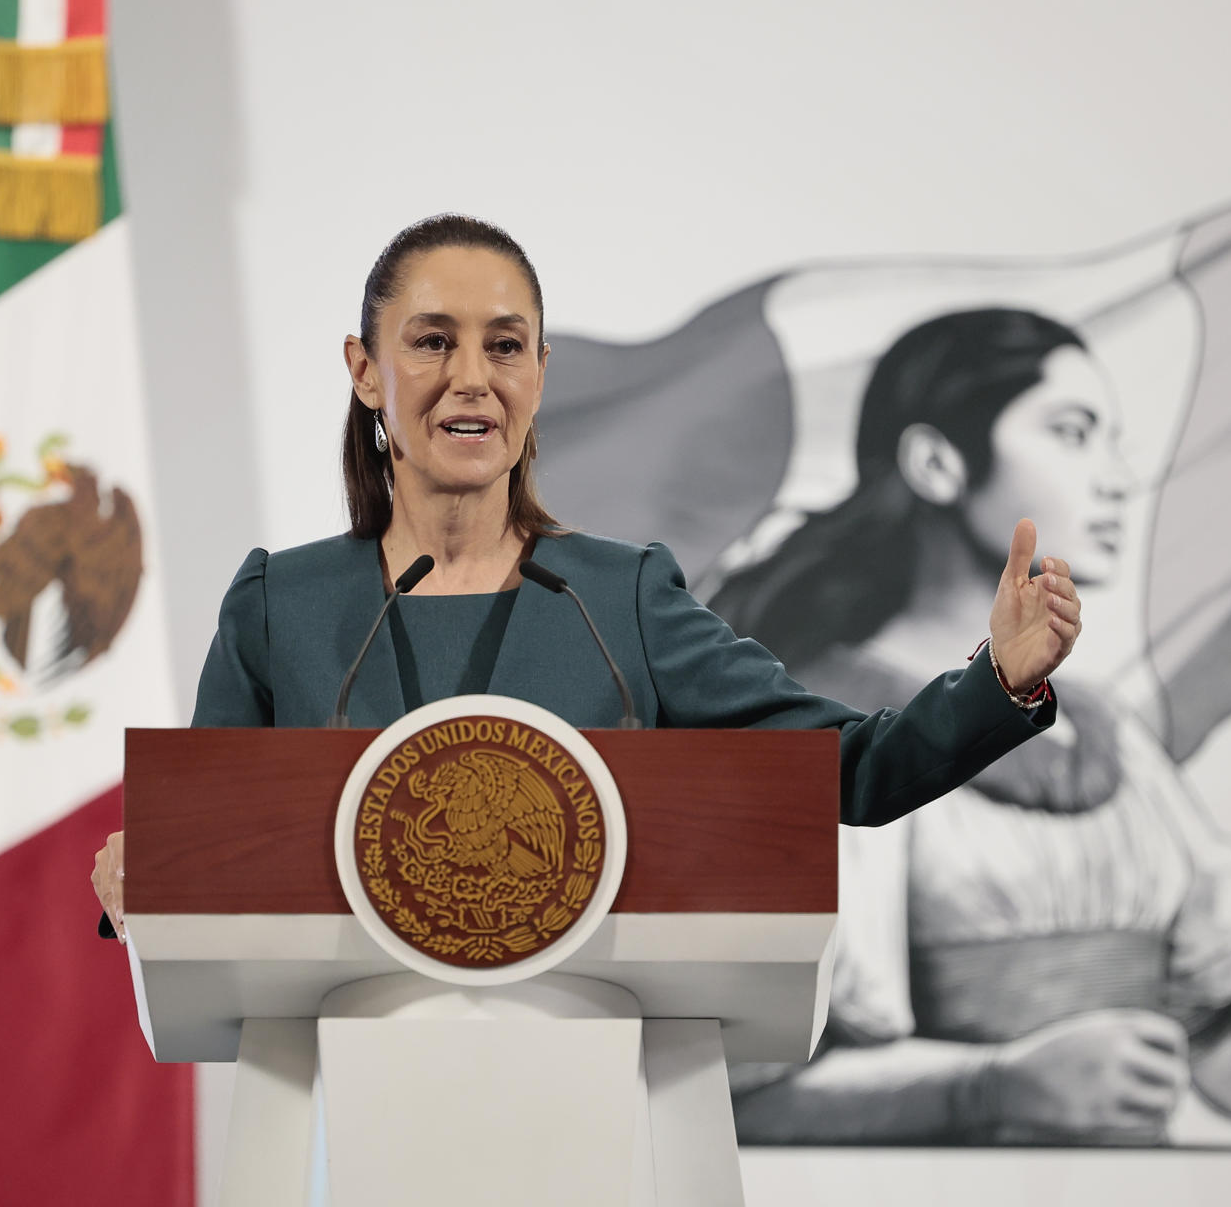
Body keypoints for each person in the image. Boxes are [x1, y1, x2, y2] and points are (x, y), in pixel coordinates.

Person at [90, 217, 1086, 935]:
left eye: (505, 345)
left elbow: (856, 770)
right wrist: (146, 874)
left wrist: (996, 677)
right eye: (432, 341)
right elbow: (203, 856)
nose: (471, 376)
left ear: (538, 374)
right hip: (342, 1114)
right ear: (364, 370)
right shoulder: (281, 609)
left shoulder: (625, 600)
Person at [710, 308, 1231, 1145]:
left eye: (1114, 440)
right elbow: (740, 1095)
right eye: (1073, 433)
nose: (1117, 477)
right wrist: (989, 1088)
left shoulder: (1111, 745)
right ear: (937, 463)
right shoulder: (815, 735)